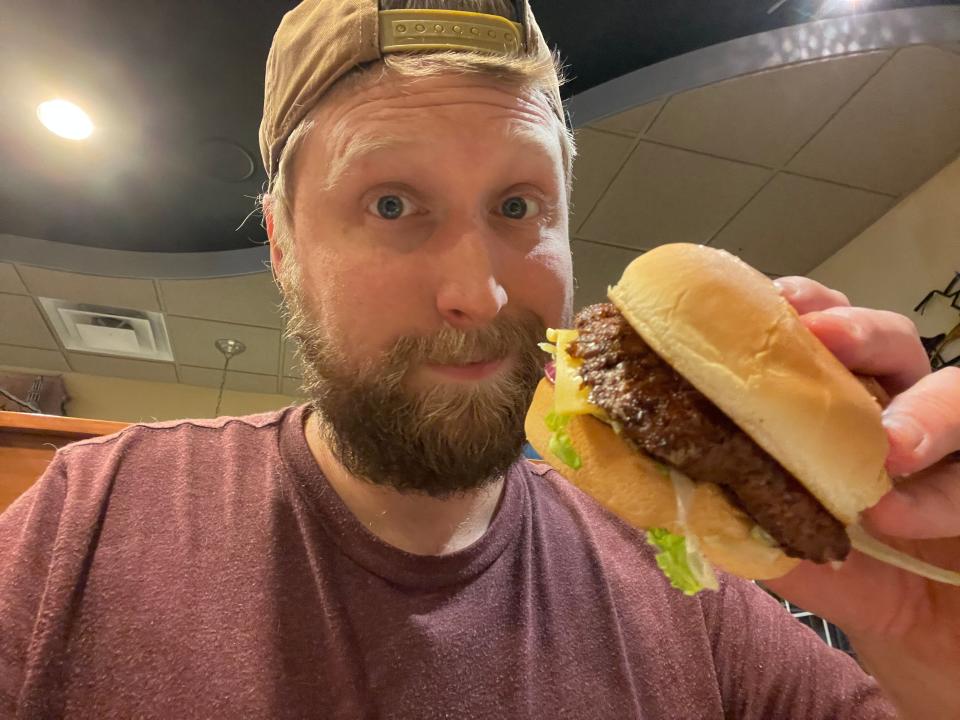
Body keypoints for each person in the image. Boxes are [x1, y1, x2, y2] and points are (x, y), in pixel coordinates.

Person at [1, 1, 958, 717]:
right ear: (284, 249)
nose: (480, 293)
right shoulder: (90, 520)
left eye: (516, 208)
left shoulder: (683, 575)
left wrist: (925, 632)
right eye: (390, 204)